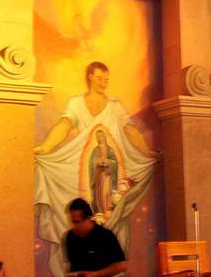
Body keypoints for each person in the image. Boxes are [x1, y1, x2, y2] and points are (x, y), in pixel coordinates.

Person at [34, 62, 158, 277]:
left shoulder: (115, 106)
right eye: (100, 78)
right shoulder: (77, 104)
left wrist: (148, 152)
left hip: (110, 178)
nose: (104, 83)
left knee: (116, 219)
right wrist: (45, 147)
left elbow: (130, 131)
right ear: (90, 77)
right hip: (85, 177)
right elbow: (64, 126)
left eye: (107, 79)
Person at [64, 198, 127, 277]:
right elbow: (73, 265)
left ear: (88, 219)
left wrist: (96, 274)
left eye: (76, 222)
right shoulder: (70, 237)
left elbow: (122, 265)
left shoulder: (105, 236)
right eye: (72, 221)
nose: (73, 226)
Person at [89, 129, 118, 217]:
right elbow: (91, 163)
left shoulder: (109, 150)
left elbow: (114, 162)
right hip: (98, 176)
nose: (99, 138)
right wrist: (96, 162)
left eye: (101, 136)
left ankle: (107, 211)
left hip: (107, 175)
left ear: (104, 137)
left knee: (106, 193)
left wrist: (107, 162)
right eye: (97, 137)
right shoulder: (95, 151)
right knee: (99, 195)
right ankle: (100, 212)